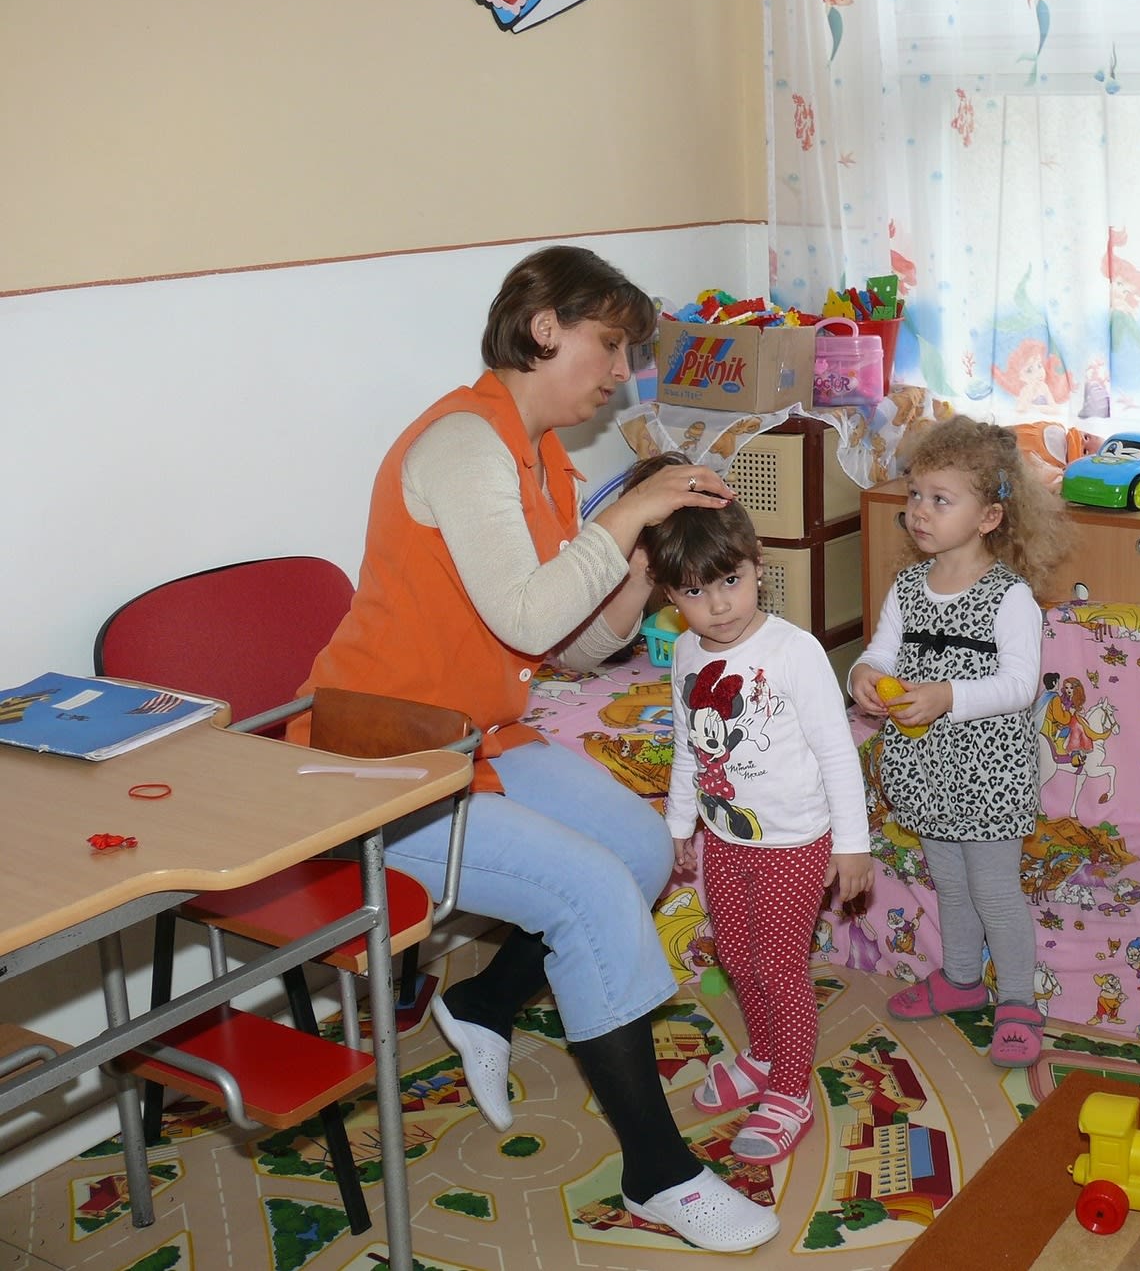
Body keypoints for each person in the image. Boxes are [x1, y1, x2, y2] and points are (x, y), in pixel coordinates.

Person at [294, 246, 779, 1252]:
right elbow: (524, 619)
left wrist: (640, 562)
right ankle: (659, 1173)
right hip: (377, 768)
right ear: (545, 327)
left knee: (642, 853)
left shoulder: (544, 460)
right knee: (594, 892)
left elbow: (574, 641)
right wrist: (630, 511)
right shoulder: (464, 444)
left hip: (475, 738)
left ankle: (483, 996)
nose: (618, 374)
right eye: (609, 346)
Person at [631, 451, 874, 1165]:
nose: (720, 605)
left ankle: (791, 1089)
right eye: (697, 592)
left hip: (798, 840)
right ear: (671, 597)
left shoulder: (793, 651)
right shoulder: (684, 654)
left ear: (756, 565)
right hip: (724, 837)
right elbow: (687, 750)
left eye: (731, 582)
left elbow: (838, 751)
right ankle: (765, 1056)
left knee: (780, 962)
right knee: (737, 957)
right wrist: (679, 829)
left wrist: (851, 846)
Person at [848, 417, 1072, 1067]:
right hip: (926, 767)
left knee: (994, 888)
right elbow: (882, 650)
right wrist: (864, 675)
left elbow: (1019, 684)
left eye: (940, 499)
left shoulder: (1010, 598)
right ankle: (961, 980)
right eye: (914, 495)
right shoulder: (909, 588)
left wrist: (947, 695)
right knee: (948, 882)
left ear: (989, 516)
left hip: (988, 772)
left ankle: (1020, 1002)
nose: (919, 511)